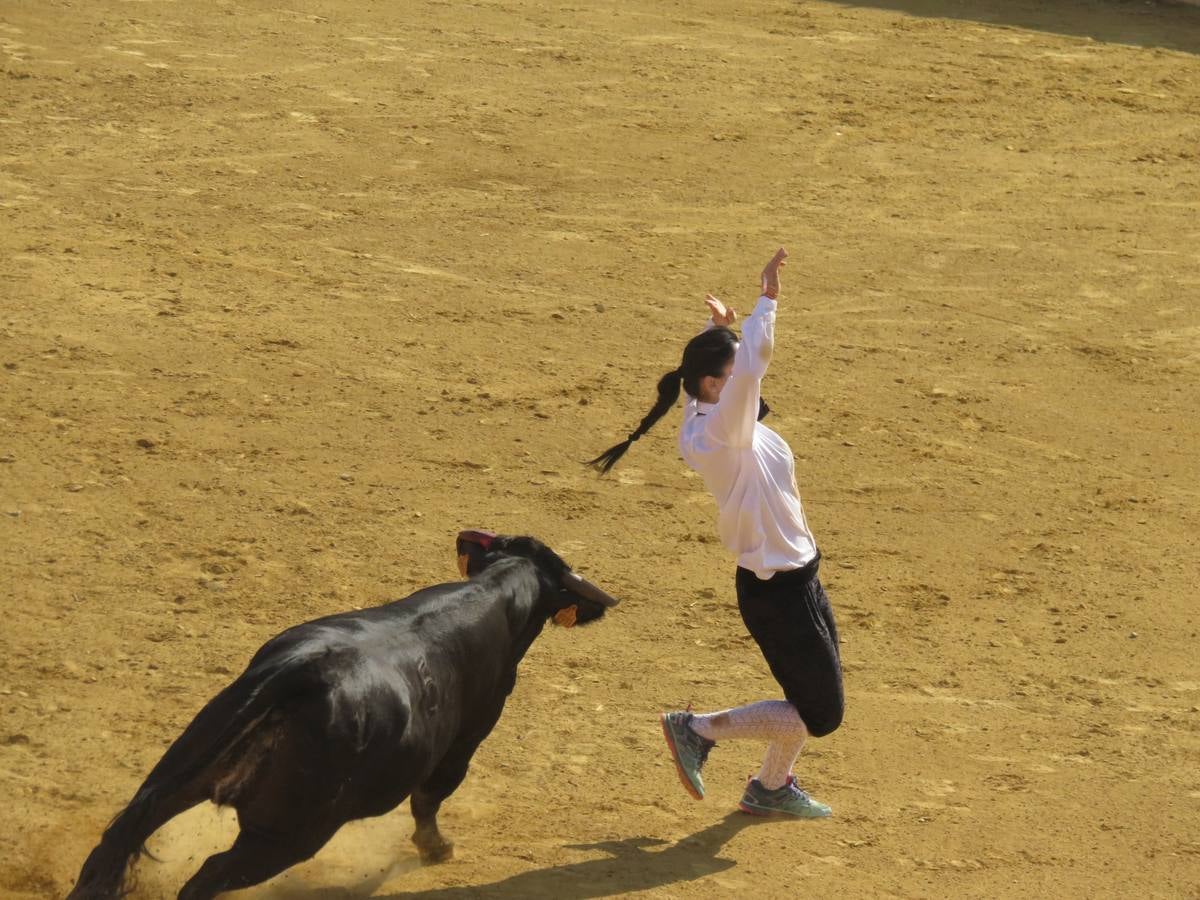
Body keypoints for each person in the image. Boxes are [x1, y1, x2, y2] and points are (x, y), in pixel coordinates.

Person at [589, 248, 843, 818]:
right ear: (714, 385)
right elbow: (752, 366)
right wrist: (766, 304)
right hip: (778, 590)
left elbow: (712, 376)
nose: (742, 385)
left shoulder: (705, 413)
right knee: (820, 713)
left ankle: (770, 787)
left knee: (815, 692)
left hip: (795, 575)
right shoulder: (726, 431)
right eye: (729, 376)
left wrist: (715, 329)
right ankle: (697, 729)